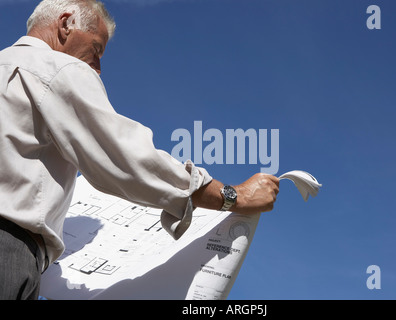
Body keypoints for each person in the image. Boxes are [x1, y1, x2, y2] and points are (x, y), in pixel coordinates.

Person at [0, 0, 279, 300]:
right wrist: (232, 197)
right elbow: (127, 159)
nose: (97, 67)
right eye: (96, 50)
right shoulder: (57, 68)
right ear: (66, 23)